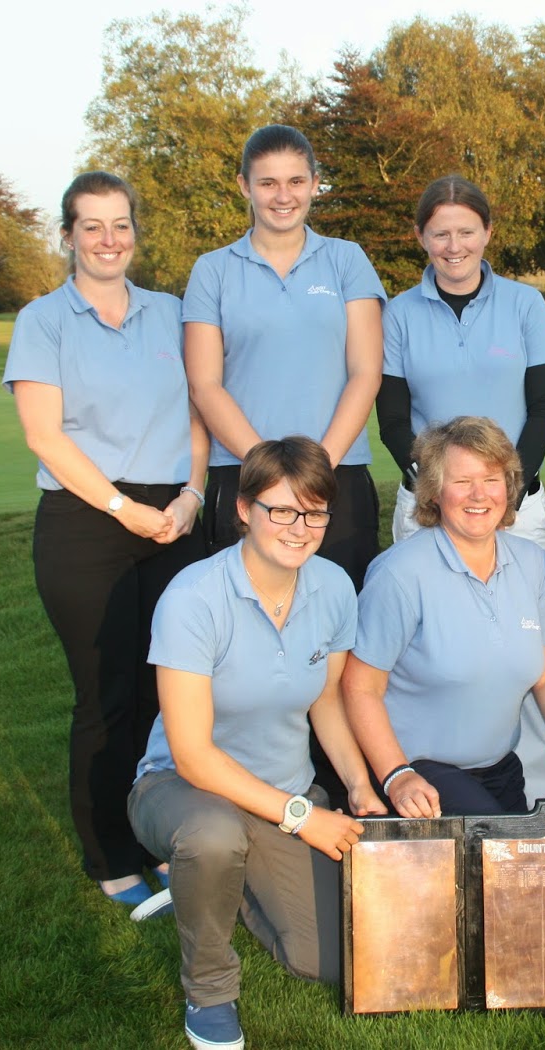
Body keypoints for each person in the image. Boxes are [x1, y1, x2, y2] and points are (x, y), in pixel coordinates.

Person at [130, 437, 385, 1050]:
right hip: (181, 788)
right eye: (282, 510)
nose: (300, 529)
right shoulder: (192, 598)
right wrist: (303, 817)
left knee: (330, 960)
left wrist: (358, 787)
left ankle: (212, 882)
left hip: (281, 792)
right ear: (244, 509)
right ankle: (209, 989)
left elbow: (325, 700)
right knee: (212, 835)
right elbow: (193, 756)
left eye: (315, 513)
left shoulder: (333, 587)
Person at [3, 171, 207, 909]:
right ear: (68, 236)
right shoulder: (43, 321)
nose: (108, 239)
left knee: (171, 691)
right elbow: (44, 436)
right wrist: (124, 508)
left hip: (173, 518)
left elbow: (198, 412)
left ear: (135, 233)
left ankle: (160, 834)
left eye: (120, 224)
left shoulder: (171, 313)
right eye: (92, 226)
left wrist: (193, 494)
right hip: (86, 519)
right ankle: (111, 854)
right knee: (107, 695)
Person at [376, 174, 545, 806]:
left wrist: (507, 488)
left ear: (487, 233)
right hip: (429, 500)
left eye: (466, 231)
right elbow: (393, 418)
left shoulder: (524, 304)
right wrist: (436, 488)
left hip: (517, 500)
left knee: (527, 644)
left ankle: (537, 794)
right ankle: (423, 775)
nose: (453, 246)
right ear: (420, 237)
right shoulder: (400, 313)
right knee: (431, 644)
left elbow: (543, 410)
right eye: (440, 234)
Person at [342, 417, 545, 816]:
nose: (479, 494)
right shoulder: (399, 573)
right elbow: (360, 687)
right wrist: (396, 775)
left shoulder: (532, 563)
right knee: (493, 850)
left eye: (491, 479)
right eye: (462, 481)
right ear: (434, 491)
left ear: (509, 486)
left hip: (500, 767)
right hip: (419, 775)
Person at [184, 124, 387, 591]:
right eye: (268, 182)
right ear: (244, 186)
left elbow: (365, 372)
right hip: (244, 476)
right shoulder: (212, 270)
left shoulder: (347, 260)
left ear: (315, 183)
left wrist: (316, 468)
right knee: (243, 617)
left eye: (296, 181)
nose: (283, 196)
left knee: (341, 615)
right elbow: (204, 385)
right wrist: (270, 469)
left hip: (336, 472)